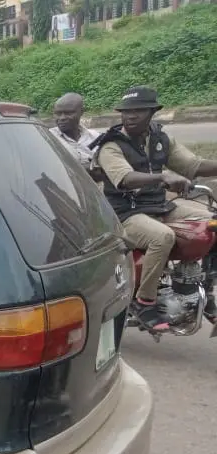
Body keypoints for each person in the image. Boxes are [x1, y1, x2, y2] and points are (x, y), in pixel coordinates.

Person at [92, 86, 217, 330]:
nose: (130, 116)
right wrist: (162, 177)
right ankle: (144, 302)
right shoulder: (111, 145)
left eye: (138, 111)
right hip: (125, 213)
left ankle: (205, 290)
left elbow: (194, 165)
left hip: (159, 205)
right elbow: (125, 178)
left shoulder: (160, 139)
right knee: (162, 236)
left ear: (152, 112)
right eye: (126, 112)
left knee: (212, 222)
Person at [49, 92, 97, 171]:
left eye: (68, 113)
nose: (62, 118)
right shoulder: (49, 138)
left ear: (81, 112)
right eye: (58, 113)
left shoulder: (95, 137)